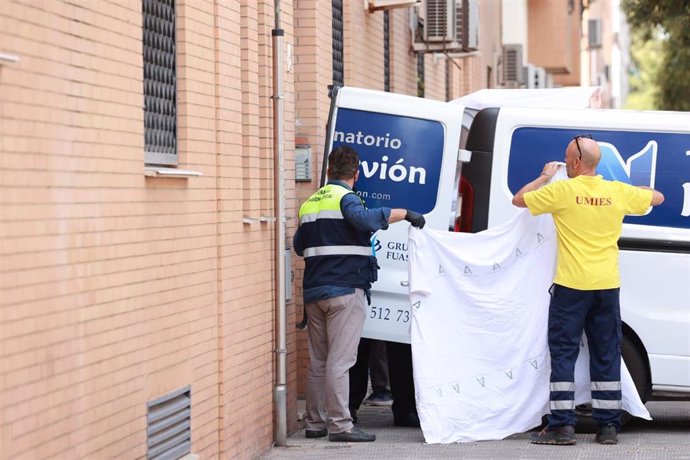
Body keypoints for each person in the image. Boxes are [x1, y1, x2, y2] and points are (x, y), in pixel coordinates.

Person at [512, 134, 664, 446]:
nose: (566, 163)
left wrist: (543, 176)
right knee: (606, 353)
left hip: (572, 287)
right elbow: (657, 197)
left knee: (564, 354)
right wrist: (630, 191)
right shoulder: (616, 192)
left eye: (568, 159)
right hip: (607, 286)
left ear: (577, 163)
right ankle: (608, 427)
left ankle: (562, 427)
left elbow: (519, 199)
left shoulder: (563, 190)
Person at [294, 145, 426, 443]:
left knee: (318, 361)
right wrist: (405, 213)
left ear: (328, 172)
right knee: (341, 361)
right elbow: (365, 220)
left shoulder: (310, 203)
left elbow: (300, 246)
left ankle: (315, 423)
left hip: (314, 292)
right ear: (356, 174)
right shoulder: (346, 198)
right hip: (344, 291)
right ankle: (340, 425)